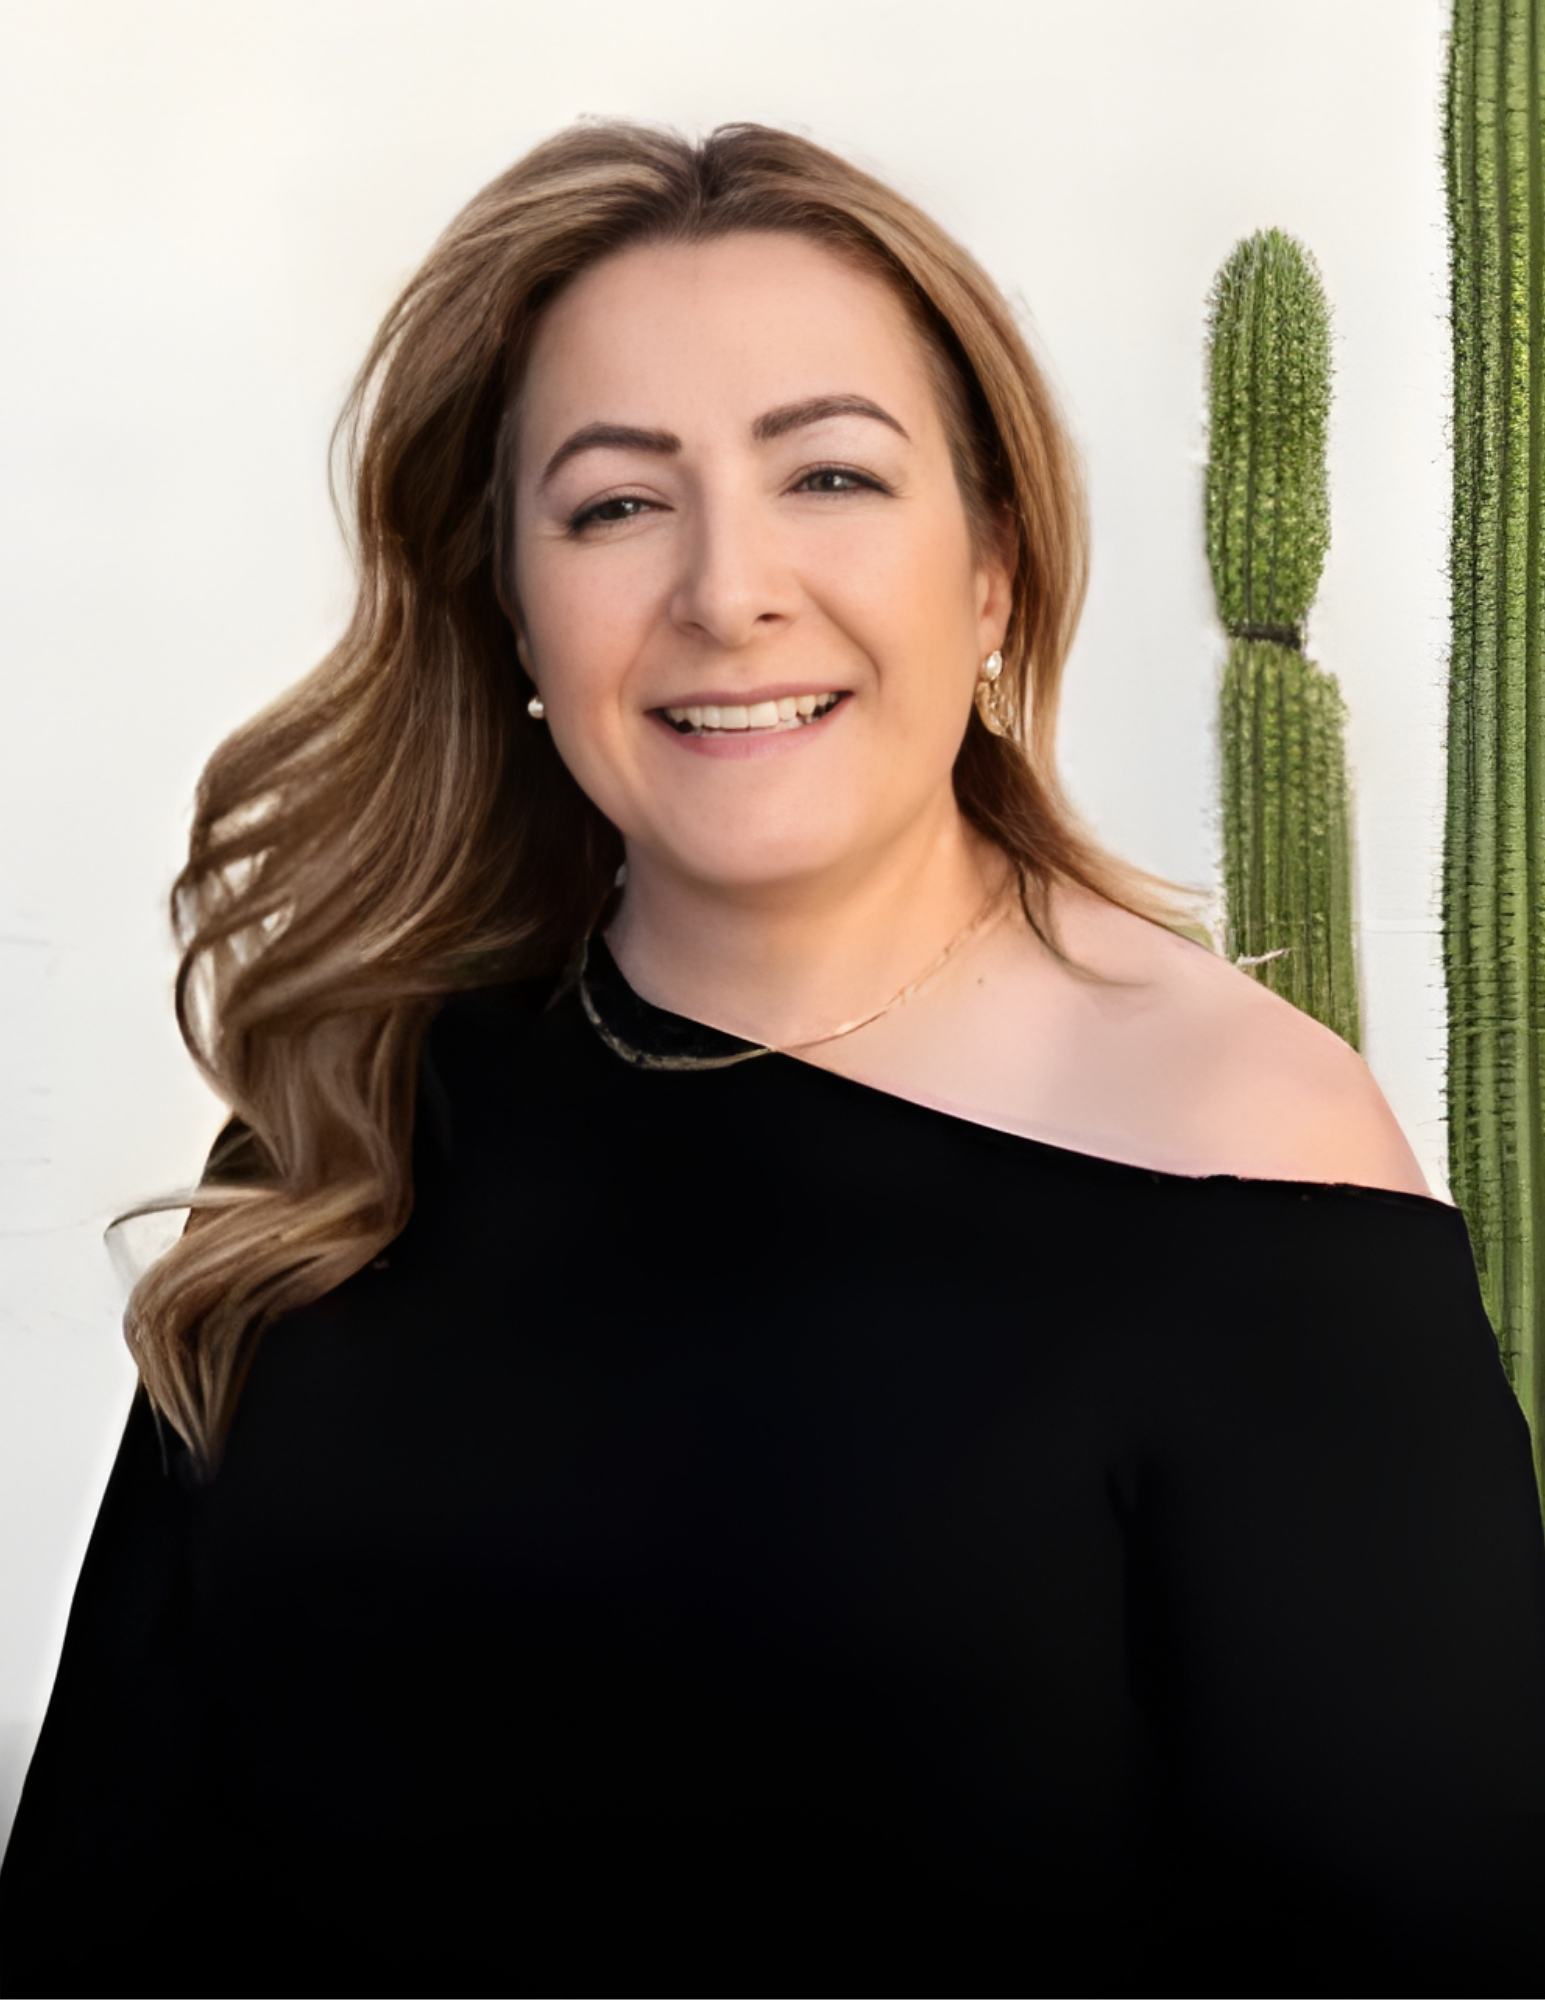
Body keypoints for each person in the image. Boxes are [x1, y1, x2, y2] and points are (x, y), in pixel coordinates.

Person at [2, 120, 1543, 1984]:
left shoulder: (1248, 1168)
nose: (728, 591)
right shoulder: (354, 1121)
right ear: (511, 605)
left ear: (994, 570)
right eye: (615, 505)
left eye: (828, 475)